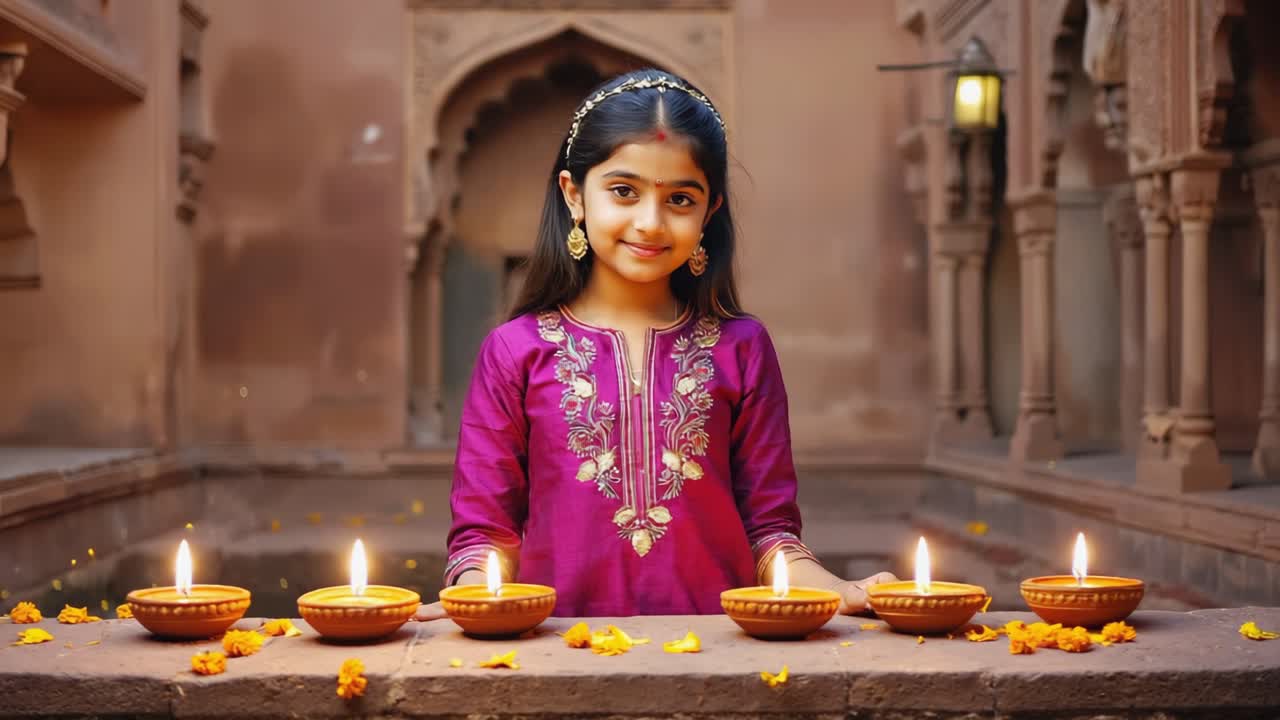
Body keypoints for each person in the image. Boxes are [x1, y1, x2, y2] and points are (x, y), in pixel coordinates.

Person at [417, 68, 895, 620]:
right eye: (624, 191)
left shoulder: (741, 347)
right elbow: (482, 534)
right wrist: (476, 597)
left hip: (722, 653)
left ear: (709, 211)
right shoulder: (515, 350)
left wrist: (839, 588)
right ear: (574, 195)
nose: (650, 222)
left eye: (681, 199)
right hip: (553, 654)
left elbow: (771, 534)